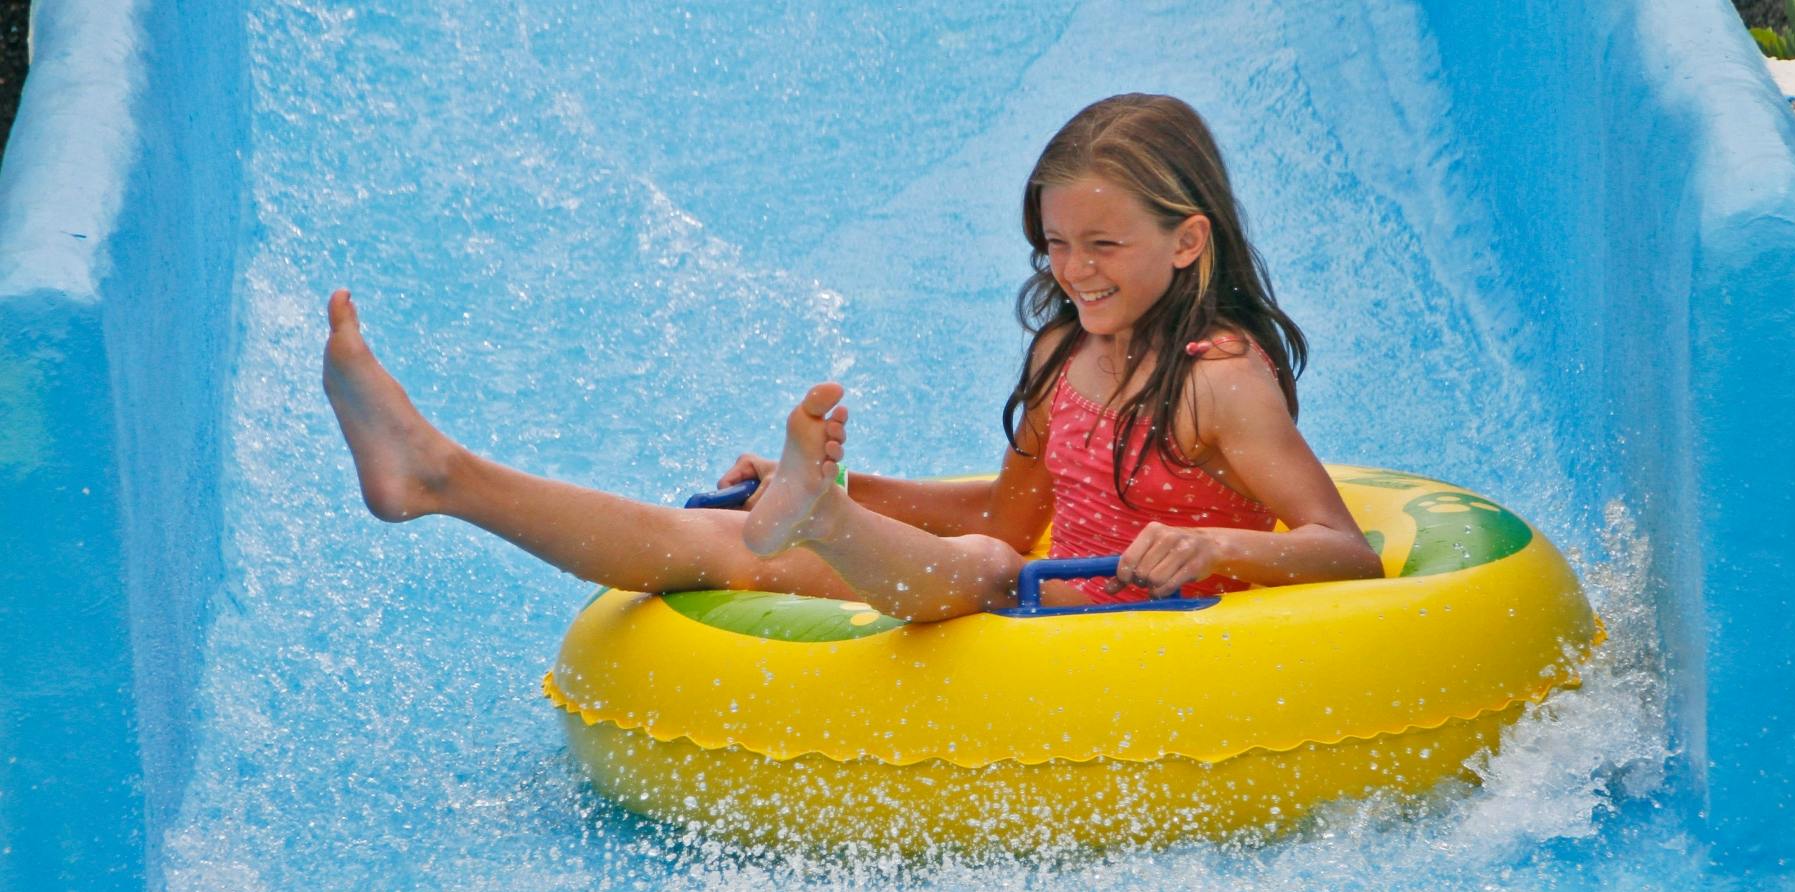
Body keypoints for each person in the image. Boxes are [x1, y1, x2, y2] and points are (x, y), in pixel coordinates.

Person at [322, 94, 1383, 622]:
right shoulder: (1069, 349)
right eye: (1055, 243)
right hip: (1041, 597)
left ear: (1187, 241)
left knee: (988, 572)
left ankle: (821, 519)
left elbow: (1347, 550)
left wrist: (1208, 546)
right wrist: (846, 486)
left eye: (1103, 245)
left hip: (1165, 638)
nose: (1073, 270)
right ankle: (440, 475)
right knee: (722, 542)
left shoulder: (1219, 382)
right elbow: (1007, 511)